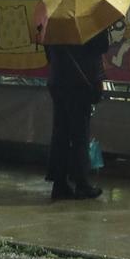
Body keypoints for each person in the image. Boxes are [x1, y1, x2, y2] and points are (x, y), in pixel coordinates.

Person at [42, 13, 111, 201]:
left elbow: (47, 49)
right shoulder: (89, 17)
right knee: (80, 133)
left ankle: (59, 183)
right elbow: (102, 46)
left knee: (60, 132)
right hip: (80, 82)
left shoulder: (55, 18)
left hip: (58, 80)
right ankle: (82, 183)